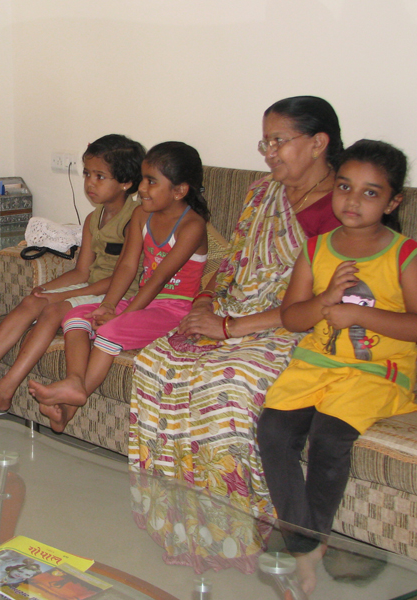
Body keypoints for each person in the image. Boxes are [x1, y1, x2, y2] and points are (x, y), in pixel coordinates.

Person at [128, 96, 344, 523]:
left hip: (296, 326)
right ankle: (180, 518)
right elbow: (234, 260)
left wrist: (228, 327)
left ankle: (240, 524)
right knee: (155, 362)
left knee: (230, 381)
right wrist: (204, 301)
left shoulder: (342, 205)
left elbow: (324, 302)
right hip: (232, 308)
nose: (268, 153)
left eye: (278, 141)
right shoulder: (263, 191)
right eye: (265, 143)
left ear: (318, 143)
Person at [258, 139, 417, 595]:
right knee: (273, 432)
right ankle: (306, 543)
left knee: (329, 438)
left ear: (392, 202)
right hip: (315, 364)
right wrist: (325, 301)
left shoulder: (404, 254)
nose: (352, 200)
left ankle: (304, 545)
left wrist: (359, 315)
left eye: (370, 192)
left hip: (375, 371)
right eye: (345, 187)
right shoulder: (316, 249)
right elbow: (292, 318)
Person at [0, 134, 146, 415]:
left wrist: (63, 296)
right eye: (87, 174)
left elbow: (123, 276)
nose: (90, 183)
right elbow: (82, 271)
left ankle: (4, 390)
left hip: (119, 293)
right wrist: (47, 288)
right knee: (33, 301)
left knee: (53, 310)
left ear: (126, 182)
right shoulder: (92, 219)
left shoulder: (135, 218)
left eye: (100, 176)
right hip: (91, 287)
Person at [29, 142, 209, 432]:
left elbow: (159, 278)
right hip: (143, 300)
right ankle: (74, 384)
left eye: (151, 182)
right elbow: (126, 266)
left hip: (174, 310)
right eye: (143, 179)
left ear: (179, 191)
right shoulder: (142, 215)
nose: (142, 189)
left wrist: (123, 315)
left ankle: (71, 404)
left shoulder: (192, 226)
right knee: (76, 315)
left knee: (110, 330)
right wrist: (108, 305)